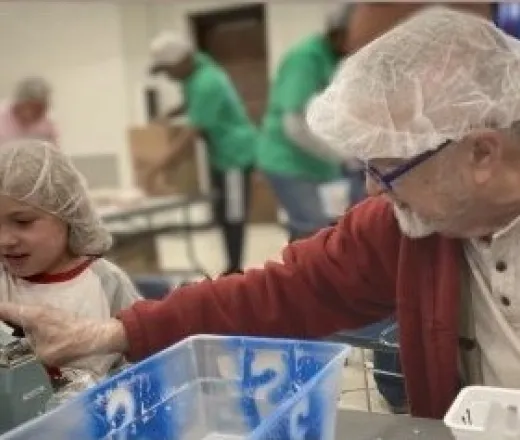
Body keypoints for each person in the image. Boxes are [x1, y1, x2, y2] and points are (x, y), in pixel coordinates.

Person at [1, 7, 518, 419]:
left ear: (480, 155)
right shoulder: (404, 230)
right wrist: (111, 334)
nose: (370, 188)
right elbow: (279, 292)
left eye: (387, 168)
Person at [0, 139, 140, 381]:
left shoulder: (106, 283)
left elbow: (142, 357)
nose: (5, 240)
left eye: (23, 222)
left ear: (68, 214)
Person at [148, 32, 258, 275]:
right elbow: (192, 102)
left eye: (168, 69)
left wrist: (157, 168)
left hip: (234, 156)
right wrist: (170, 114)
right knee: (222, 212)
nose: (167, 75)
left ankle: (235, 269)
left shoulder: (207, 80)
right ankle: (232, 264)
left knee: (233, 214)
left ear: (181, 60)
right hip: (220, 154)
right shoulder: (197, 69)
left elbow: (192, 132)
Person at [257, 4, 353, 242]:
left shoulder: (333, 59)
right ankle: (301, 278)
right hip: (289, 159)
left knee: (328, 229)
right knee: (313, 229)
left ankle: (304, 276)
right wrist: (339, 155)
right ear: (338, 33)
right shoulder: (306, 58)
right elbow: (295, 125)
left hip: (317, 163)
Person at [0, 77, 59, 145]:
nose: (37, 113)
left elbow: (54, 151)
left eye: (41, 109)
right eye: (33, 107)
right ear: (20, 103)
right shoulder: (2, 116)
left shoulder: (48, 124)